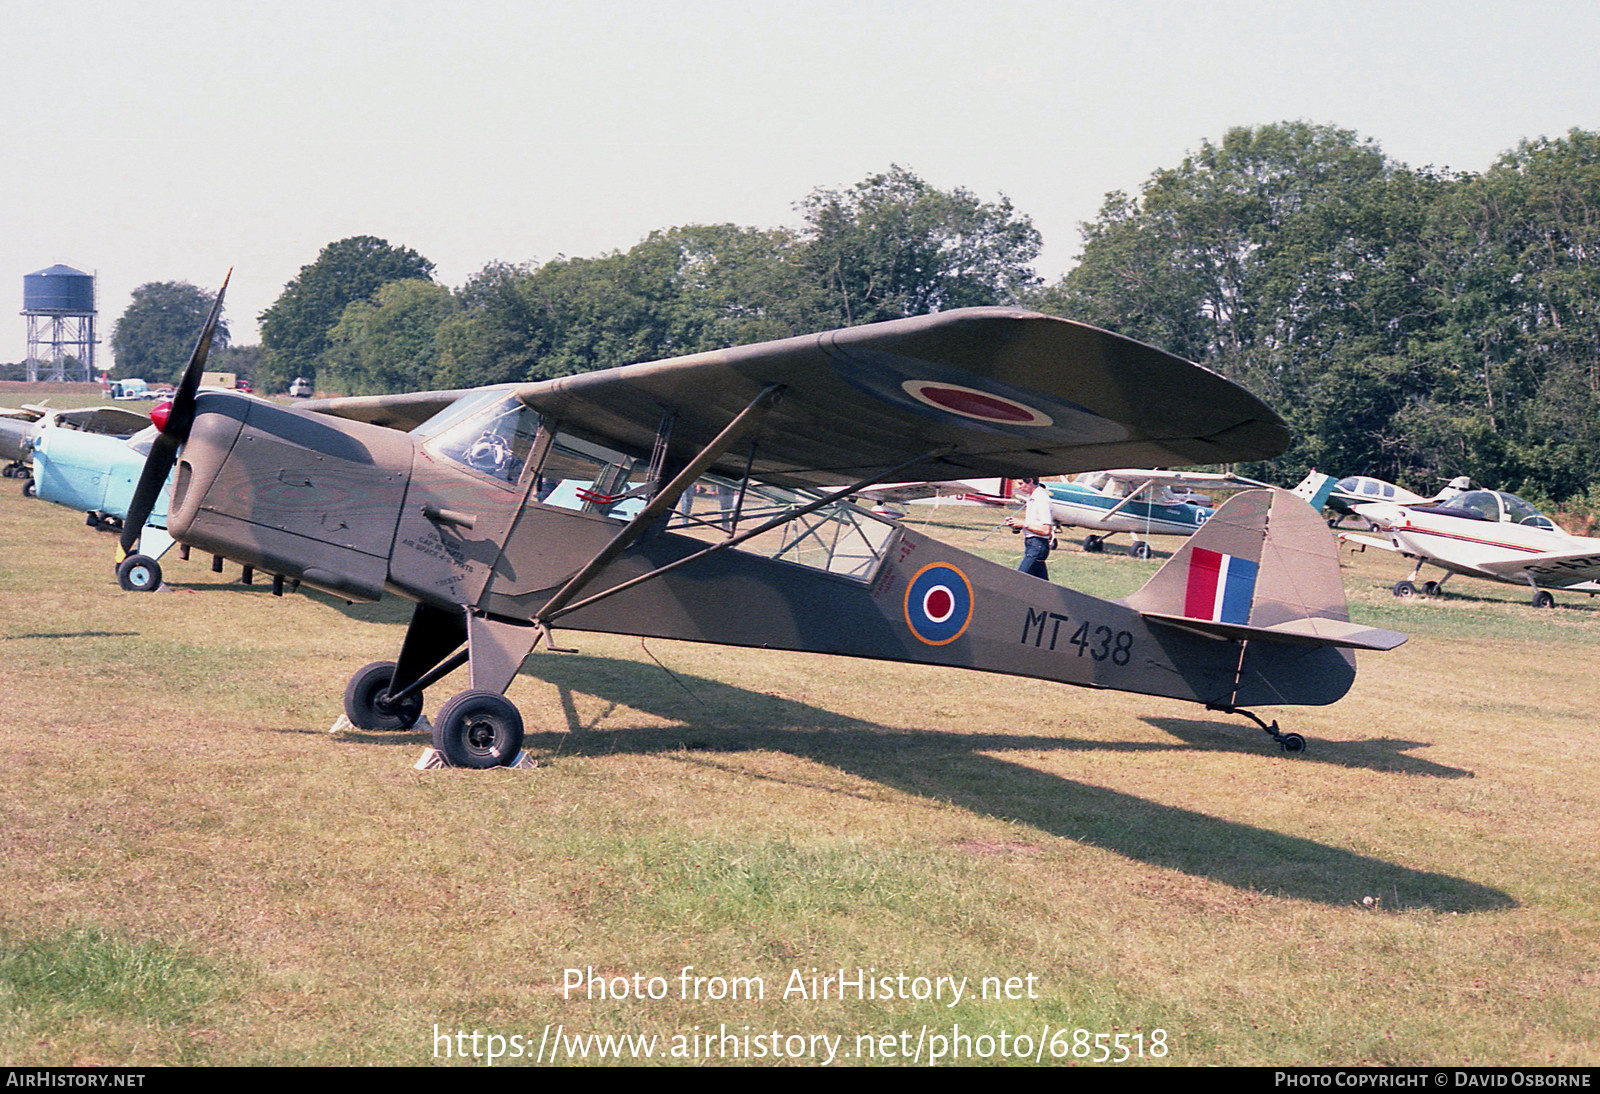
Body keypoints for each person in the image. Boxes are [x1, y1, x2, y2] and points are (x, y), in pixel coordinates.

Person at [1006, 477, 1056, 579]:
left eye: (1021, 484)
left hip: (1037, 546)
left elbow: (1046, 530)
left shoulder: (1041, 499)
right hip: (1031, 545)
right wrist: (1016, 525)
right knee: (1042, 586)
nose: (1019, 488)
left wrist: (1024, 524)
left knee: (1019, 579)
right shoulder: (1032, 498)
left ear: (1030, 481)